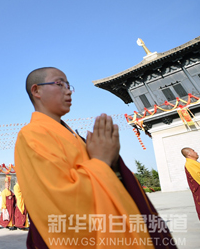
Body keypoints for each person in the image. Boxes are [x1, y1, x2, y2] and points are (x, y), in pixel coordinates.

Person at [15, 67, 176, 248]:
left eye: (69, 85)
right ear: (36, 90)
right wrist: (100, 162)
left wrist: (113, 162)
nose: (68, 90)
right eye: (59, 84)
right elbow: (62, 200)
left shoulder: (74, 137)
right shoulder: (31, 135)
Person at [181, 147, 200, 220]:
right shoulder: (190, 164)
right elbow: (198, 177)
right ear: (189, 154)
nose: (196, 152)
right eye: (193, 150)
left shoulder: (194, 163)